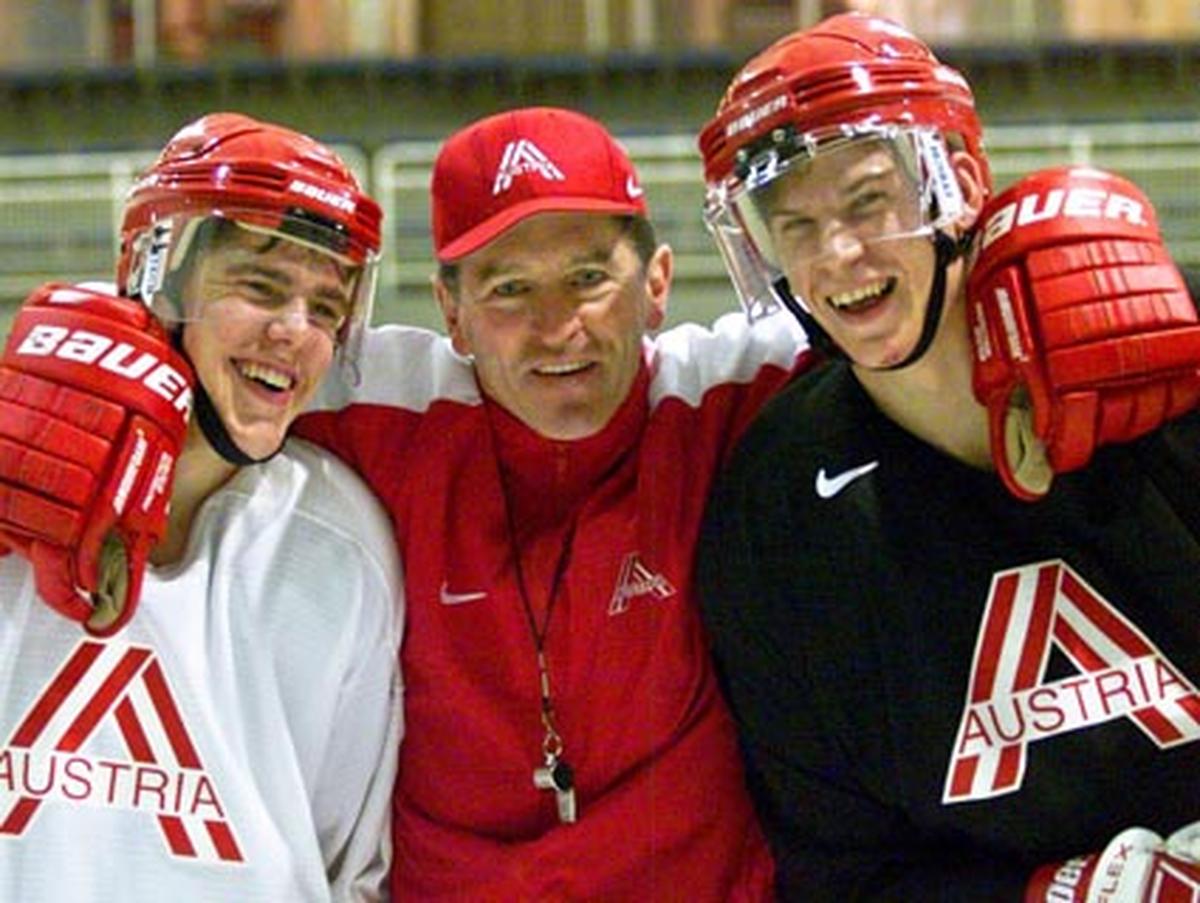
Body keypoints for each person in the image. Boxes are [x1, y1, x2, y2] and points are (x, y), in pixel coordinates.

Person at [695, 12, 1200, 901]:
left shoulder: (1169, 360)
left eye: (865, 201)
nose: (837, 256)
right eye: (797, 226)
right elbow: (843, 869)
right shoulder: (776, 507)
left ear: (958, 180)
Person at [291, 105, 813, 899]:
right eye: (508, 289)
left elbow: (915, 306)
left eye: (588, 278)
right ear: (451, 313)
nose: (554, 325)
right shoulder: (377, 409)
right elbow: (189, 346)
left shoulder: (723, 392)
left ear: (658, 283)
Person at [0, 113, 402, 901]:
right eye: (260, 287)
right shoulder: (15, 474)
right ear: (160, 276)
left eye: (326, 308)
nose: (295, 332)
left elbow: (343, 862)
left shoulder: (342, 540)